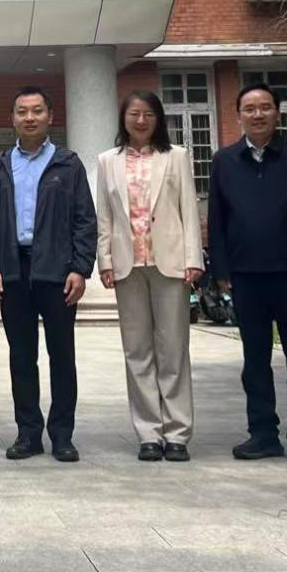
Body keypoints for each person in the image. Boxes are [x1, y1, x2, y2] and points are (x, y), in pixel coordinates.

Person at [208, 80, 287, 465]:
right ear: (238, 116)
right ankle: (262, 434)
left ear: (278, 113)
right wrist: (221, 269)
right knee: (255, 361)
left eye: (265, 107)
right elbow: (217, 220)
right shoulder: (224, 161)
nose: (257, 114)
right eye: (250, 109)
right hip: (246, 276)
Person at [0, 86, 96, 463]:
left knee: (62, 356)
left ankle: (62, 435)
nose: (29, 117)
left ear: (50, 116)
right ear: (12, 119)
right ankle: (28, 433)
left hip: (57, 271)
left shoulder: (68, 164)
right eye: (22, 111)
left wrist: (80, 268)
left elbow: (85, 219)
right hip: (13, 272)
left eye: (36, 111)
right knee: (21, 356)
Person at [96, 90, 203, 462]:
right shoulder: (107, 161)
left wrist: (194, 258)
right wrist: (105, 260)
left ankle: (177, 433)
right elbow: (105, 216)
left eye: (148, 114)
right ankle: (148, 434)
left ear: (158, 119)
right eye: (134, 114)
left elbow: (189, 210)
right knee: (137, 351)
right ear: (123, 118)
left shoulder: (176, 157)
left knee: (173, 350)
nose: (140, 121)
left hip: (170, 263)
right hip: (128, 267)